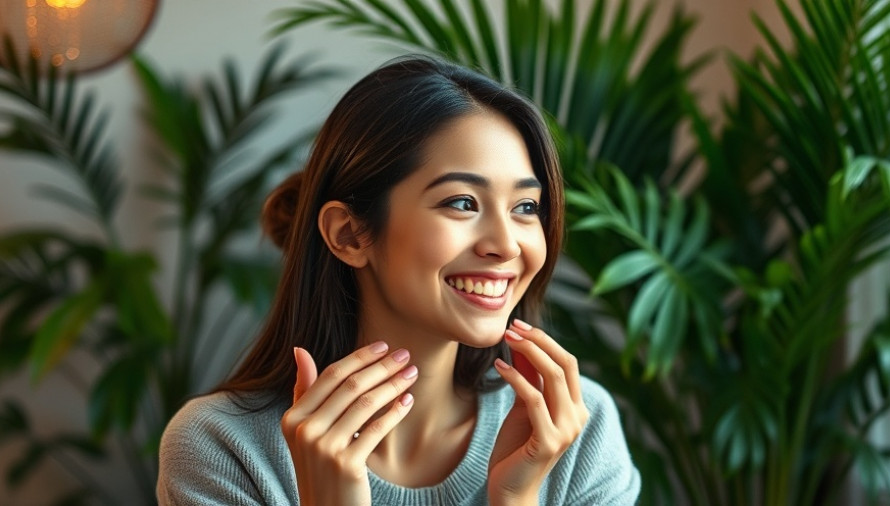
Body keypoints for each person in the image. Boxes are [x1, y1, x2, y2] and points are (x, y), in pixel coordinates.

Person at [157, 55, 640, 505]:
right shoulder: (223, 447)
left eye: (525, 208)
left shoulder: (576, 429)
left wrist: (517, 499)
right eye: (463, 202)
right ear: (349, 235)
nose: (508, 245)